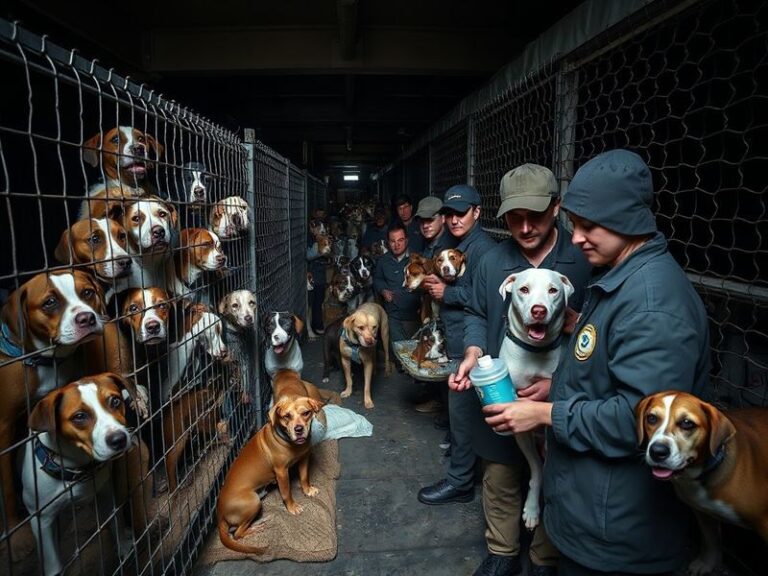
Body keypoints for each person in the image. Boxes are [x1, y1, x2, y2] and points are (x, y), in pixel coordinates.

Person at [458, 151, 711, 576]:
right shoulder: (615, 279)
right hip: (593, 510)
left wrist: (545, 411)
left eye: (588, 226)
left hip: (616, 524)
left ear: (626, 218)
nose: (576, 238)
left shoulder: (651, 303)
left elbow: (638, 419)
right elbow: (599, 369)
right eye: (575, 225)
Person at [451, 164, 592, 576]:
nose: (526, 227)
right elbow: (476, 312)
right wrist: (473, 350)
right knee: (498, 471)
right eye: (515, 217)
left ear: (557, 208)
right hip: (501, 386)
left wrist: (557, 383)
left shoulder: (582, 260)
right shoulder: (492, 260)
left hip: (559, 392)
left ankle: (545, 556)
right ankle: (502, 552)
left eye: (537, 215)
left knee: (557, 471)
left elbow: (600, 331)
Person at [417, 185, 497, 506]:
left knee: (463, 415)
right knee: (461, 416)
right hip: (457, 340)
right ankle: (466, 470)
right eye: (448, 214)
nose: (453, 220)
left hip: (472, 345)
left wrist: (446, 293)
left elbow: (485, 299)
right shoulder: (456, 243)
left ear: (477, 212)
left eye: (461, 213)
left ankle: (461, 482)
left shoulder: (483, 250)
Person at [411, 195, 458, 416]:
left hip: (451, 312)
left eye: (430, 219)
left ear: (443, 218)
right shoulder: (429, 244)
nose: (426, 225)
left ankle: (444, 407)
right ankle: (437, 400)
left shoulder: (450, 246)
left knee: (445, 358)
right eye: (422, 221)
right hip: (434, 309)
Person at [373, 221, 422, 363]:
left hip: (415, 313)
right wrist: (383, 290)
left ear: (406, 240)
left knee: (416, 350)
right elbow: (377, 279)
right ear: (388, 243)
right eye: (393, 241)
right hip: (393, 312)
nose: (397, 245)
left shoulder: (416, 259)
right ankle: (403, 365)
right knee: (401, 351)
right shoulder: (383, 261)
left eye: (400, 240)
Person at [307, 207, 329, 334]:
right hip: (311, 272)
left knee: (319, 299)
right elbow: (308, 256)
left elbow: (328, 252)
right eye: (317, 227)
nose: (321, 230)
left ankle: (318, 324)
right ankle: (312, 326)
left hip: (320, 271)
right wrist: (321, 248)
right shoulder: (309, 238)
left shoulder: (323, 236)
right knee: (311, 301)